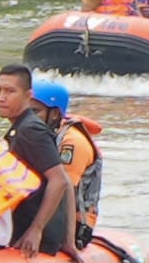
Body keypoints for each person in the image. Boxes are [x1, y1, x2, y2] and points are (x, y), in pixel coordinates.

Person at [0, 64, 76, 260]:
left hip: (31, 232)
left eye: (10, 91)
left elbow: (60, 181)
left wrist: (36, 230)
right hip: (23, 224)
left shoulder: (31, 130)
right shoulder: (20, 127)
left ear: (27, 95)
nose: (1, 97)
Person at [30, 78, 101, 245]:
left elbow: (64, 188)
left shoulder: (72, 142)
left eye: (35, 111)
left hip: (73, 222)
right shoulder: (36, 136)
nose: (29, 118)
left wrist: (36, 228)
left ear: (54, 114)